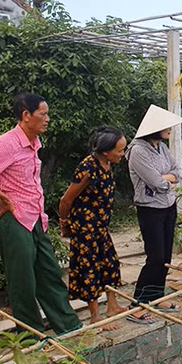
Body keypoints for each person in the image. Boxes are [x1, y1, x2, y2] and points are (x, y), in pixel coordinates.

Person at [0, 92, 81, 335]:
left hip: (35, 219)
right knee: (22, 284)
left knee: (50, 274)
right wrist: (3, 196)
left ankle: (70, 328)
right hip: (14, 221)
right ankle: (30, 337)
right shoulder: (8, 143)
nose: (48, 119)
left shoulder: (33, 143)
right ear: (26, 115)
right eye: (43, 114)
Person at [59, 126, 127, 330]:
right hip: (85, 228)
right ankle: (95, 315)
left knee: (110, 264)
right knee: (90, 269)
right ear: (106, 151)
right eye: (120, 151)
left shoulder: (107, 163)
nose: (122, 155)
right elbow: (66, 200)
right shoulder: (87, 168)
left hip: (101, 227)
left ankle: (112, 306)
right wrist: (64, 224)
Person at [126, 104, 182, 323]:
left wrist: (168, 177)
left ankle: (157, 296)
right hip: (150, 209)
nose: (170, 129)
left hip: (168, 206)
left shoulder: (161, 146)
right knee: (155, 256)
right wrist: (167, 178)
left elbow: (178, 172)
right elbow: (158, 183)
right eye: (166, 126)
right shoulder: (138, 151)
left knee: (166, 256)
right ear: (154, 128)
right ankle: (138, 303)